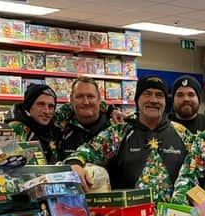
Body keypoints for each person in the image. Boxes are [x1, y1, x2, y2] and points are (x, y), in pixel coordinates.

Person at [65, 76, 195, 202]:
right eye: (147, 94)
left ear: (166, 101)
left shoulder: (182, 134)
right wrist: (75, 164)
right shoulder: (119, 132)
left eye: (159, 95)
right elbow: (86, 152)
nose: (154, 100)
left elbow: (199, 173)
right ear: (137, 99)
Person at [55, 76, 125, 161]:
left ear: (99, 99)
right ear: (71, 100)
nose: (86, 102)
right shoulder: (60, 127)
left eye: (90, 96)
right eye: (79, 96)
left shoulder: (117, 127)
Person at [5, 83, 60, 163]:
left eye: (51, 106)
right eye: (41, 104)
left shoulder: (54, 129)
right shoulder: (15, 129)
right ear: (29, 106)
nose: (46, 111)